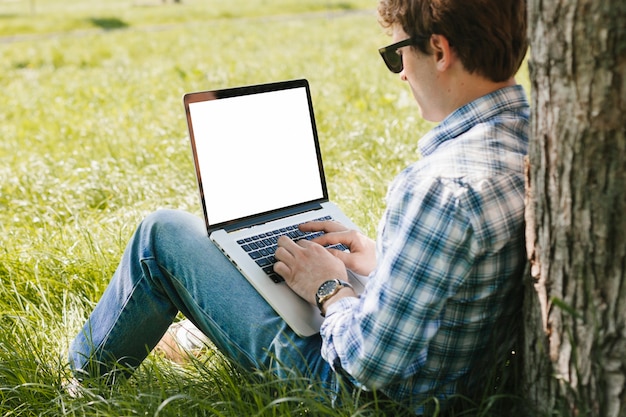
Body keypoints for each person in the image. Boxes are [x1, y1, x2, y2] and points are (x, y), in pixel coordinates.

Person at [68, 0, 529, 413]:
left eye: (397, 55)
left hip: (355, 397)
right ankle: (202, 328)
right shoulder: (536, 142)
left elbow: (365, 365)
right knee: (290, 265)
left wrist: (327, 286)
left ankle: (77, 385)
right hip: (458, 381)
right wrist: (381, 260)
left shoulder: (441, 187)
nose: (403, 72)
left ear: (440, 51)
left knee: (162, 233)